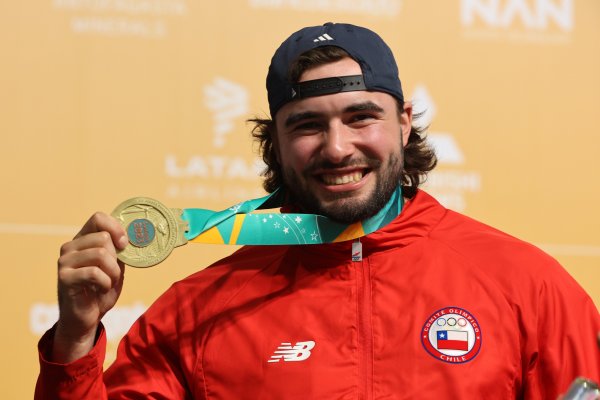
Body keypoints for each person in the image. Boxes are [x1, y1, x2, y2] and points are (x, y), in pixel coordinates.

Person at [35, 22, 599, 399]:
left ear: (403, 123)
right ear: (275, 142)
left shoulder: (527, 285)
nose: (336, 147)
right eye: (306, 124)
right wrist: (76, 345)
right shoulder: (196, 312)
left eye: (361, 117)